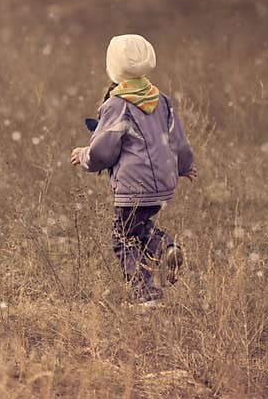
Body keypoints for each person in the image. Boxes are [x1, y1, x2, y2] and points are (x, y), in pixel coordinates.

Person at [71, 34, 196, 303]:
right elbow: (178, 140)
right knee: (137, 228)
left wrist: (84, 156)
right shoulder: (162, 100)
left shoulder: (117, 105)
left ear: (112, 67)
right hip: (162, 184)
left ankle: (145, 294)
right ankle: (166, 247)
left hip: (133, 185)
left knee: (123, 238)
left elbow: (104, 150)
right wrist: (184, 166)